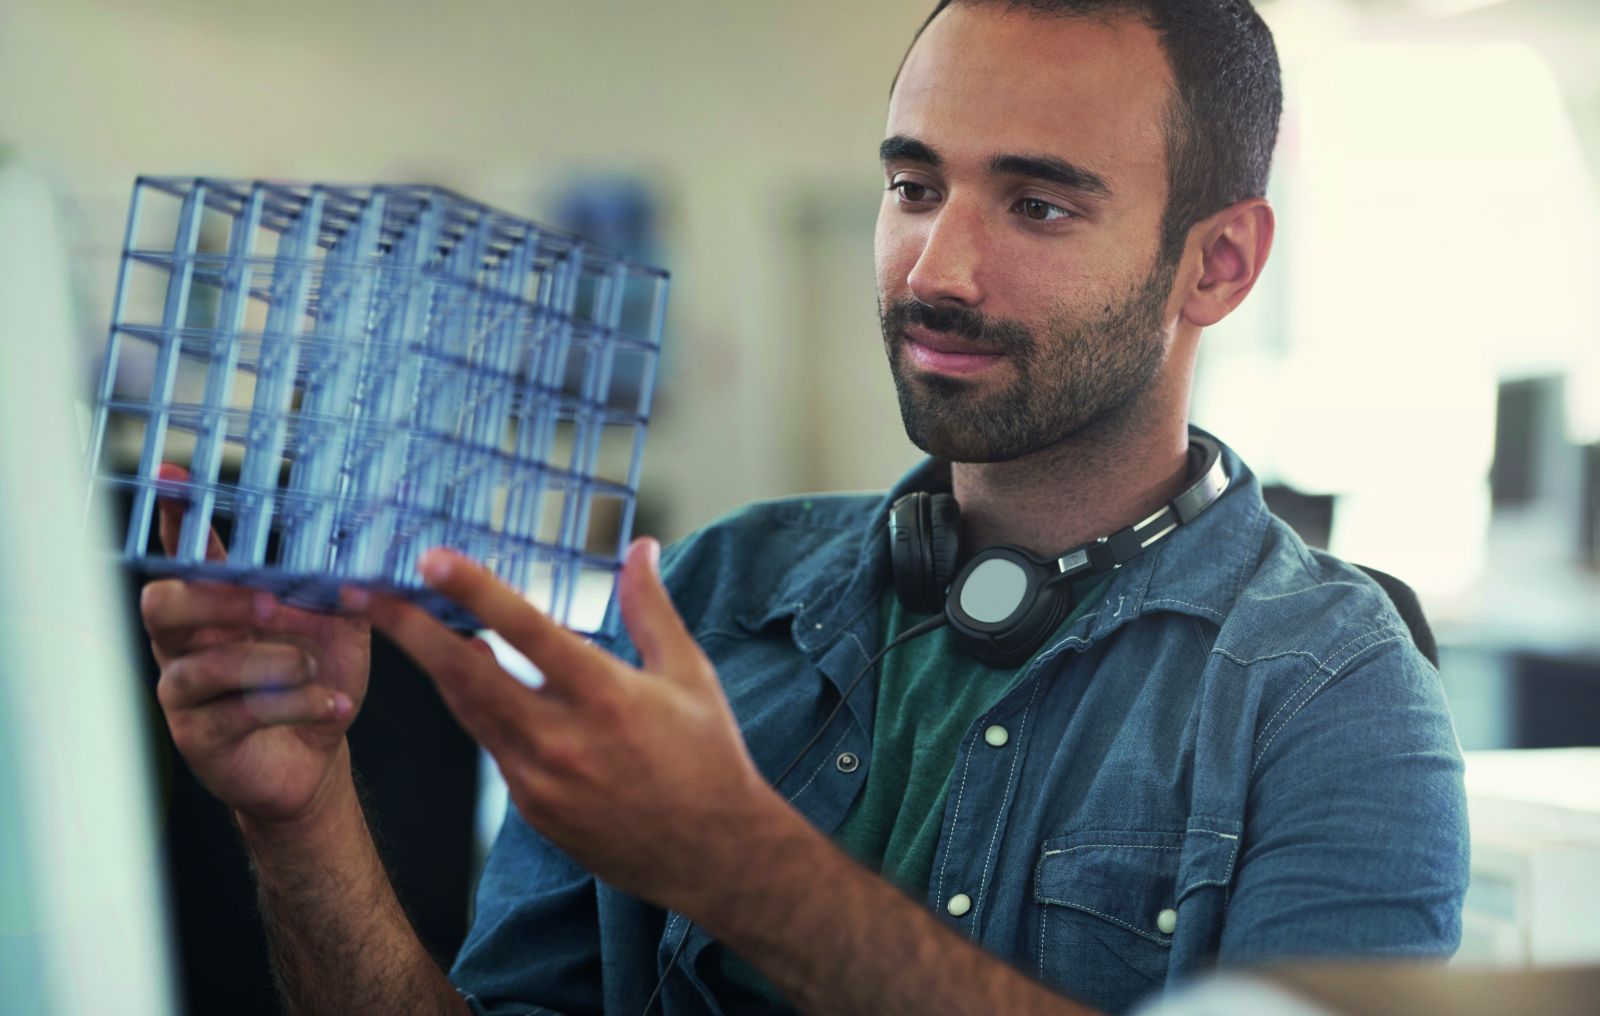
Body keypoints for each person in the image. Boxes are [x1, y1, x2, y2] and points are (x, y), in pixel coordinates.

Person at [139, 1, 1470, 1014]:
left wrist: (740, 869)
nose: (935, 267)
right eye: (913, 184)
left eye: (1040, 203)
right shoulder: (708, 601)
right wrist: (301, 819)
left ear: (1219, 262)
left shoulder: (1335, 697)